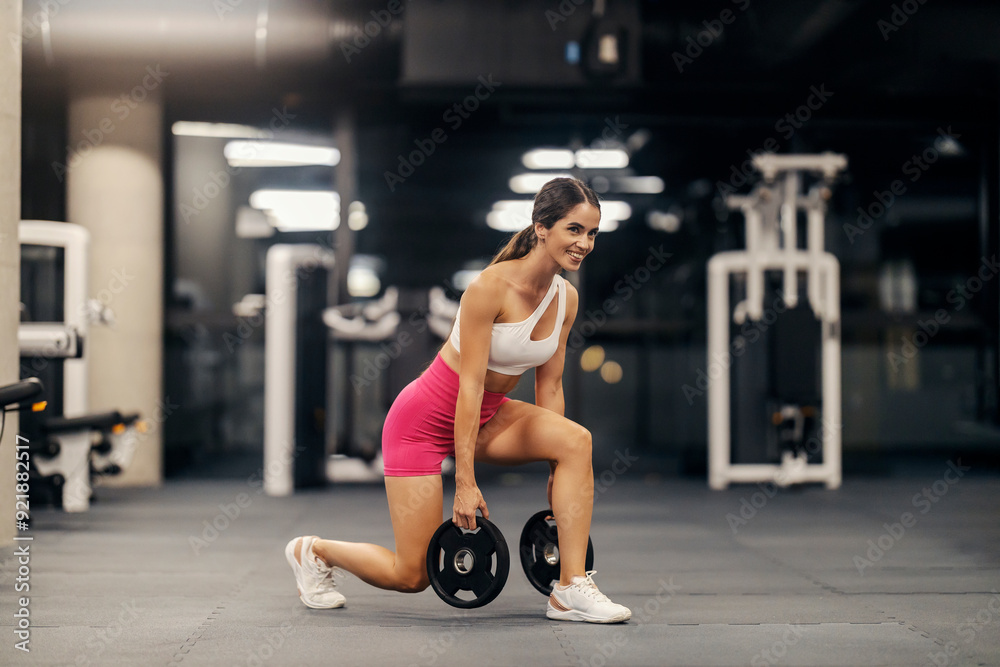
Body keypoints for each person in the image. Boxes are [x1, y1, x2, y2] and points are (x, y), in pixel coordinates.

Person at [285, 177, 631, 623]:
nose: (584, 243)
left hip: (487, 417)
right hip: (422, 423)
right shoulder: (490, 288)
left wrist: (554, 466)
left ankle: (570, 588)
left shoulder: (566, 299)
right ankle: (313, 552)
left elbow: (551, 386)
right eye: (574, 229)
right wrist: (465, 484)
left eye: (592, 233)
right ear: (541, 228)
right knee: (413, 575)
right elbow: (468, 388)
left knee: (575, 442)